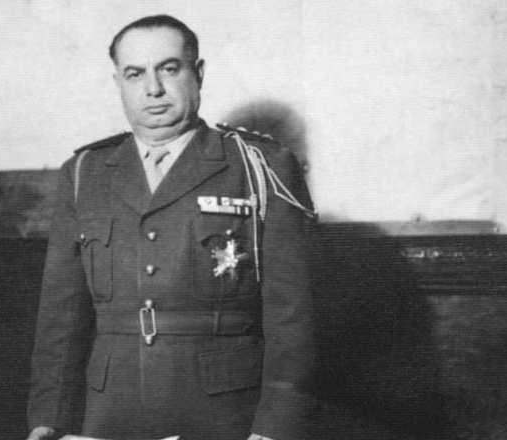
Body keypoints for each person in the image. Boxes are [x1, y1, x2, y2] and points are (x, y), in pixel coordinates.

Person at [27, 15, 315, 440]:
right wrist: (48, 418)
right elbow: (62, 316)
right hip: (110, 410)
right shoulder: (84, 173)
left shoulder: (258, 166)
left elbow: (291, 316)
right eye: (135, 74)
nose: (153, 89)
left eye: (168, 68)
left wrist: (276, 427)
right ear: (118, 83)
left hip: (224, 411)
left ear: (198, 74)